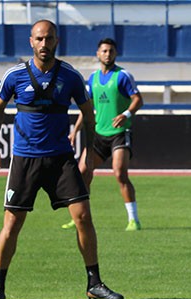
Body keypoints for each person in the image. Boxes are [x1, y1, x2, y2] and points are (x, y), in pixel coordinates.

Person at [0, 20, 124, 299]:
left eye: (48, 39)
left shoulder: (70, 76)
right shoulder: (15, 75)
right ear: (31, 42)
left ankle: (94, 283)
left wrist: (88, 151)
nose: (44, 44)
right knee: (12, 223)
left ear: (56, 41)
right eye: (39, 39)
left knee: (83, 217)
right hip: (25, 159)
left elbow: (88, 113)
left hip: (61, 159)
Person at [63, 37, 144, 232]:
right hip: (98, 134)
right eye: (104, 51)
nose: (108, 54)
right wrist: (75, 131)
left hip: (119, 133)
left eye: (111, 51)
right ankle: (79, 216)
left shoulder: (123, 76)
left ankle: (133, 219)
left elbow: (138, 99)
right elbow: (87, 108)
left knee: (119, 173)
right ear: (98, 54)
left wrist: (126, 114)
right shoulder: (93, 79)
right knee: (82, 173)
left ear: (116, 54)